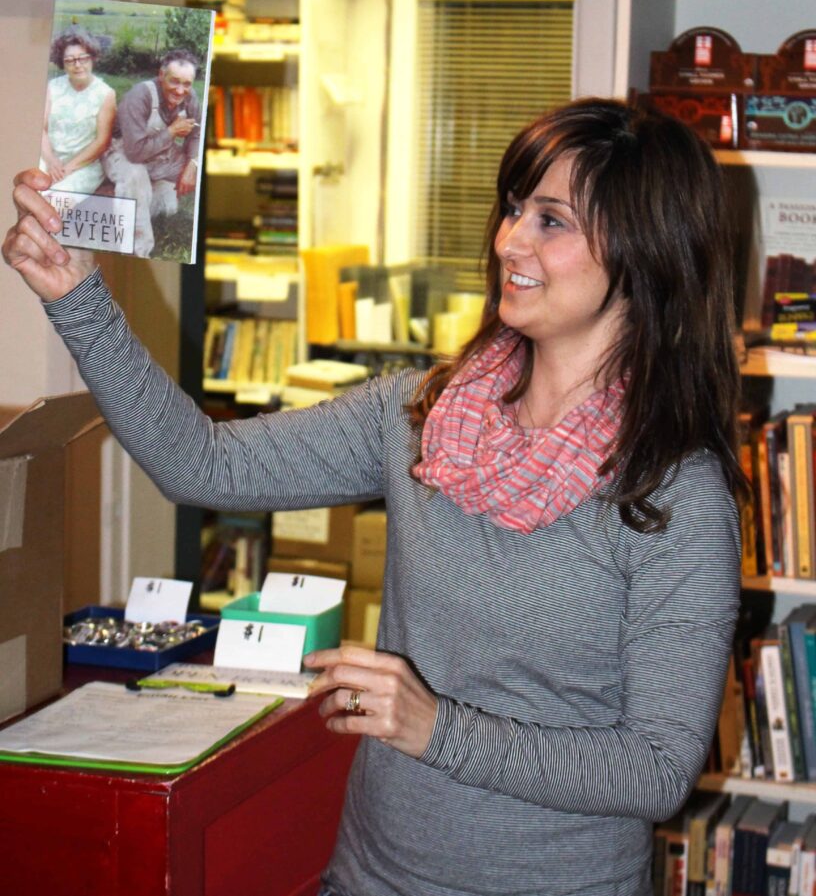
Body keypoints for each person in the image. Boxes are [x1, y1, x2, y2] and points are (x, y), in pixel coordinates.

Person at [3, 97, 744, 896]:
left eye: (551, 221)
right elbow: (203, 466)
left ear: (645, 256)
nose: (508, 240)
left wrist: (437, 728)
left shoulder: (674, 494)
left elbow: (657, 769)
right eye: (514, 207)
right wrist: (75, 296)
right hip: (369, 879)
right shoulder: (421, 414)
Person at [101, 48, 201, 258]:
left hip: (159, 153)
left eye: (186, 84)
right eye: (174, 81)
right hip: (123, 152)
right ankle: (137, 252)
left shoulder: (191, 97)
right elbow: (135, 152)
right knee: (135, 175)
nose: (180, 90)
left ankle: (141, 201)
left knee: (201, 173)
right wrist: (172, 131)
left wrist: (192, 165)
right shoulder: (140, 95)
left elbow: (197, 134)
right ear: (161, 75)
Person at [39, 28, 116, 194]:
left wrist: (67, 169)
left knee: (55, 200)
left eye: (83, 58)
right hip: (49, 157)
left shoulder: (105, 94)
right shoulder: (52, 87)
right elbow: (41, 128)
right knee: (30, 188)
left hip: (83, 165)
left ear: (92, 59)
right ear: (62, 63)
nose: (77, 65)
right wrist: (51, 161)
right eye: (70, 60)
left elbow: (102, 142)